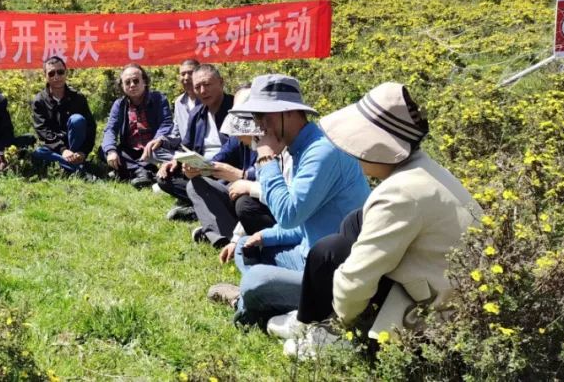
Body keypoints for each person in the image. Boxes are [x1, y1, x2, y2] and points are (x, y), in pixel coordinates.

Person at [277, 83, 482, 358]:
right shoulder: (424, 169)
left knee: (328, 252)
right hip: (456, 291)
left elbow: (357, 279)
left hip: (432, 315)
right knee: (354, 222)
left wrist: (345, 320)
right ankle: (312, 320)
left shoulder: (400, 193)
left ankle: (331, 333)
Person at [206, 74, 371, 328]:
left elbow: (289, 214)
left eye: (266, 117)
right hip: (308, 253)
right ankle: (276, 302)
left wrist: (265, 160)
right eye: (257, 118)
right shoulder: (301, 147)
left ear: (291, 113)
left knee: (256, 280)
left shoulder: (321, 153)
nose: (261, 127)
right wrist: (267, 236)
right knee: (244, 248)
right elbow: (305, 223)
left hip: (332, 272)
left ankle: (246, 303)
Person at [185, 86, 276, 249]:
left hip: (260, 202)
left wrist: (243, 176)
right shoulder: (238, 138)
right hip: (237, 191)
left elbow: (273, 178)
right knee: (195, 184)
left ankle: (231, 235)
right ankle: (224, 237)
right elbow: (218, 159)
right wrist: (198, 167)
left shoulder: (274, 139)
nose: (240, 138)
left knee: (244, 202)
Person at [148, 64, 234, 220]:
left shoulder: (235, 109)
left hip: (226, 170)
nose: (202, 91)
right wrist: (174, 161)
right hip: (200, 170)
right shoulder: (196, 113)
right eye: (197, 87)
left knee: (221, 187)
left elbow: (236, 150)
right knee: (165, 179)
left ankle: (201, 207)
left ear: (221, 82)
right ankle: (205, 203)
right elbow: (186, 146)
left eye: (207, 85)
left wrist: (209, 167)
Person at [100, 64, 174, 188]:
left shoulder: (159, 99)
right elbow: (110, 129)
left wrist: (157, 140)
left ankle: (128, 171)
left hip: (153, 148)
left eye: (136, 81)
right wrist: (111, 151)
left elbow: (166, 123)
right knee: (104, 150)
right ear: (122, 86)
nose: (132, 85)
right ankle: (142, 171)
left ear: (144, 81)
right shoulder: (120, 104)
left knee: (162, 152)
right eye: (127, 82)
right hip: (130, 151)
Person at [31, 56, 97, 175]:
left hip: (76, 146)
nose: (56, 77)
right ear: (45, 76)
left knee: (77, 119)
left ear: (66, 73)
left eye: (60, 72)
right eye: (51, 73)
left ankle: (72, 164)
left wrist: (83, 152)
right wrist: (63, 150)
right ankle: (79, 168)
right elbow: (42, 130)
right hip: (54, 147)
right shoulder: (39, 101)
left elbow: (91, 127)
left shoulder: (78, 98)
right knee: (38, 154)